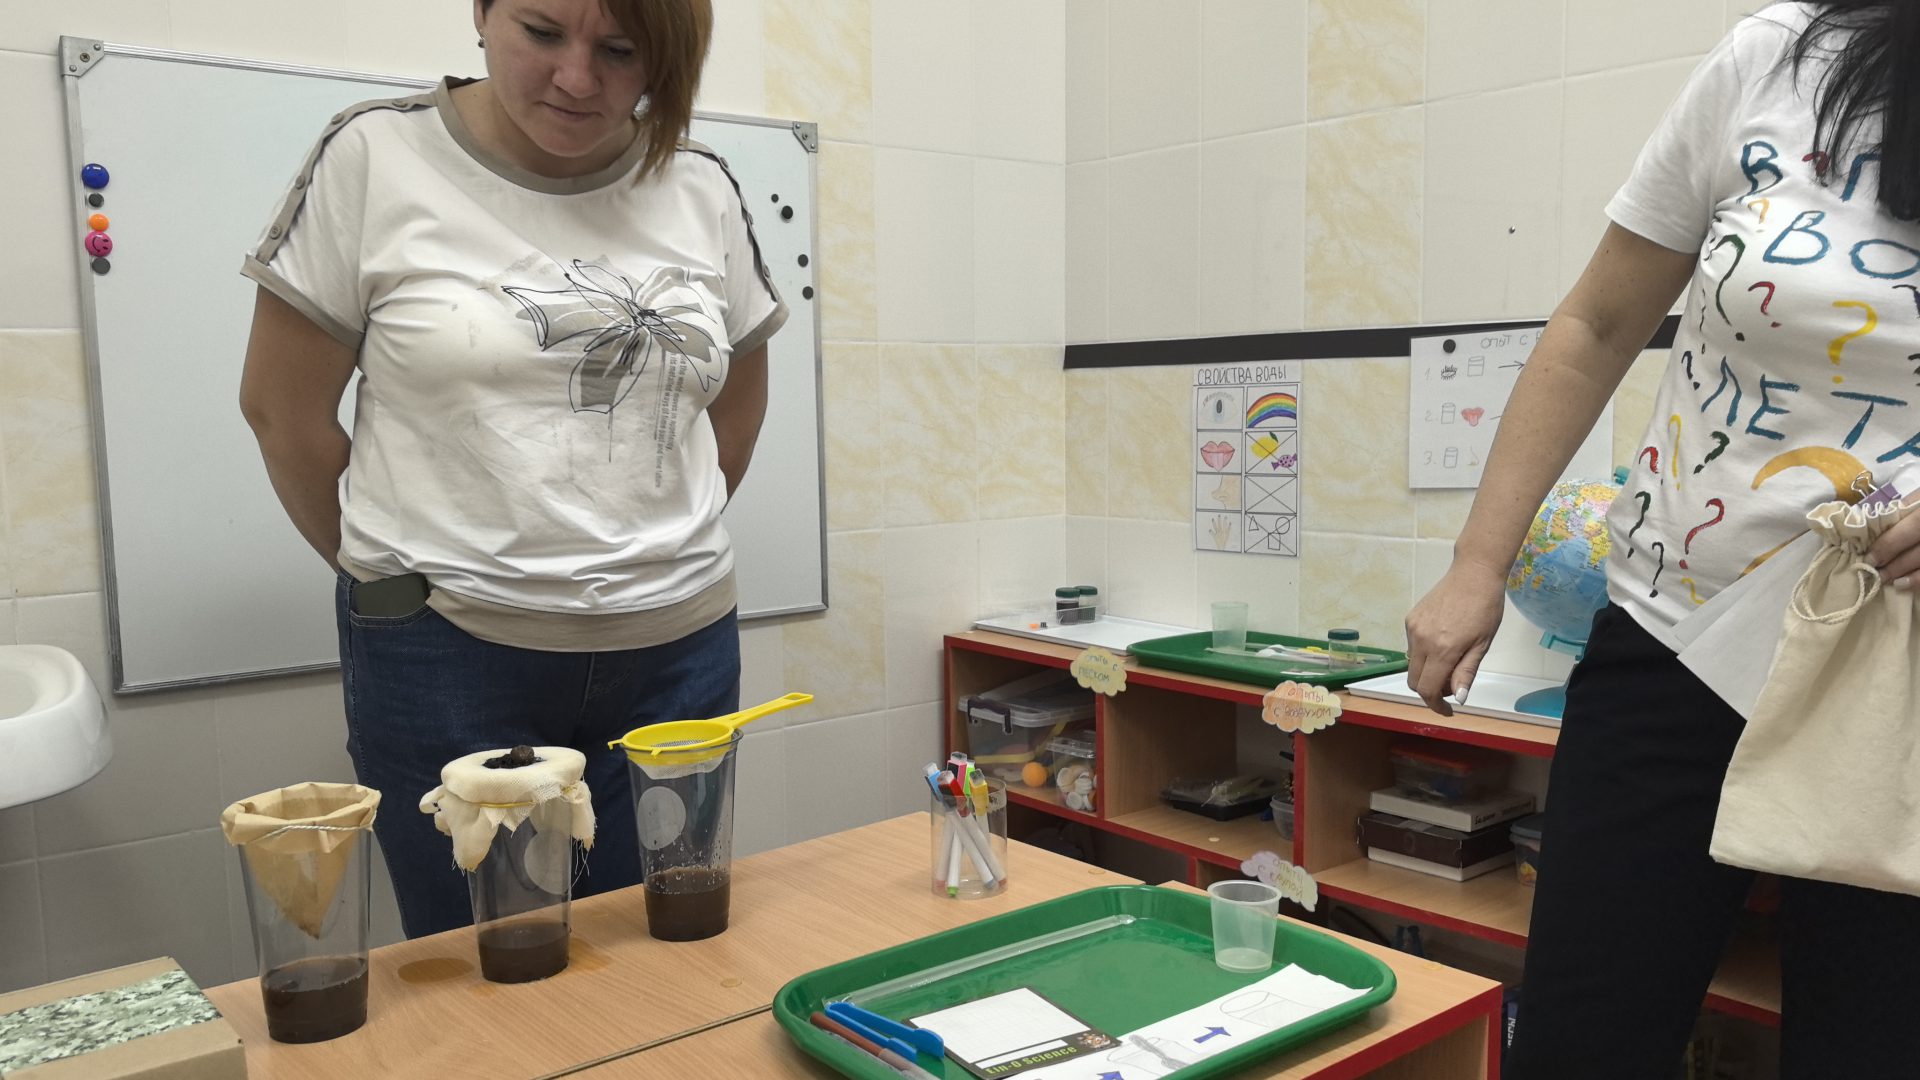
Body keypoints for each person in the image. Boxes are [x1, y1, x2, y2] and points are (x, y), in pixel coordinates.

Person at [1405, 3, 1920, 1075]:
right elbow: (1594, 324)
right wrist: (1476, 563)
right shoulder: (1778, 57)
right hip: (1675, 641)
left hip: (1896, 686)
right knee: (1582, 1043)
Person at [237, 0, 785, 938]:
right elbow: (282, 413)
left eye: (621, 51)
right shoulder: (375, 156)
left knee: (666, 951)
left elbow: (734, 409)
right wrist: (398, 577)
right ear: (483, 13)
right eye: (542, 32)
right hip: (448, 647)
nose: (577, 78)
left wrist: (639, 544)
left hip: (677, 649)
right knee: (486, 964)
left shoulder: (700, 184)